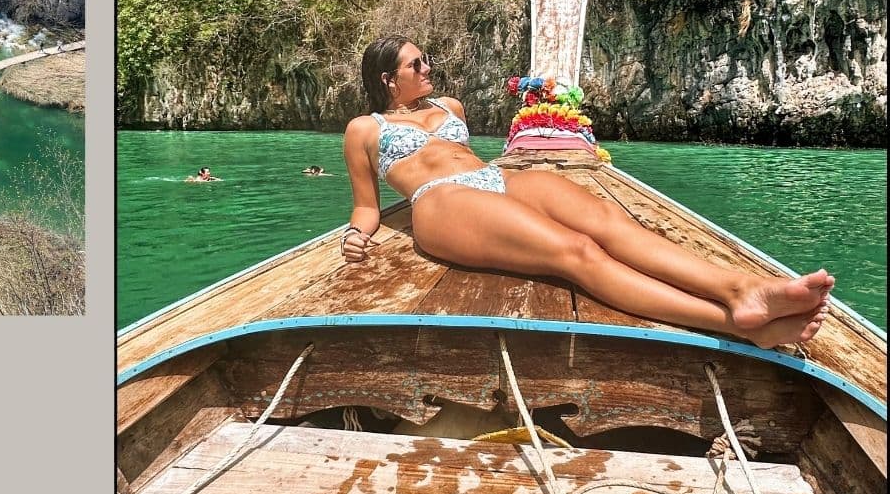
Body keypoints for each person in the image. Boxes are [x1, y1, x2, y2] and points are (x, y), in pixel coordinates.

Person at [341, 35, 834, 350]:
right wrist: (356, 235)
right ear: (388, 79)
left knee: (610, 222)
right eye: (416, 64)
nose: (428, 68)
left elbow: (473, 158)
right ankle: (734, 324)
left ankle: (740, 288)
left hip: (494, 178)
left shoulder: (451, 106)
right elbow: (367, 206)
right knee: (575, 251)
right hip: (441, 199)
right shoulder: (365, 128)